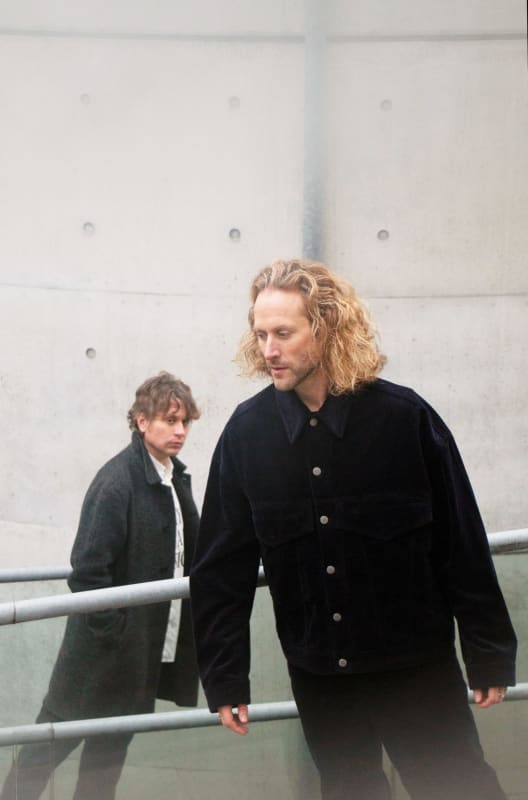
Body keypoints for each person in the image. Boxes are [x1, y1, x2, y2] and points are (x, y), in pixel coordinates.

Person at [190, 260, 517, 800]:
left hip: (418, 674)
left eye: (283, 334)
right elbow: (220, 567)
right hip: (321, 681)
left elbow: (461, 542)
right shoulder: (246, 436)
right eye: (261, 334)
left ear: (325, 327)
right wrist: (224, 676)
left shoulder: (405, 419)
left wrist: (487, 652)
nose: (268, 349)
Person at [2, 372, 201, 800]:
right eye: (170, 420)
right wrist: (121, 637)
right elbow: (89, 573)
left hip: (135, 660)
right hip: (95, 661)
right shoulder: (116, 482)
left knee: (104, 768)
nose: (180, 431)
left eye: (185, 422)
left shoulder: (172, 478)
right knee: (41, 758)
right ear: (141, 421)